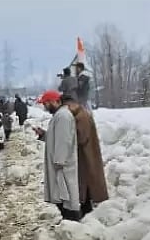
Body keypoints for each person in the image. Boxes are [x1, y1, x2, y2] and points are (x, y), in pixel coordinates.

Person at [35, 91, 82, 220]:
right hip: (59, 165)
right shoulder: (59, 115)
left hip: (62, 166)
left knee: (66, 195)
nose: (45, 107)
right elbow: (56, 138)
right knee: (62, 195)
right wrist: (44, 135)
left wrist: (59, 160)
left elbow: (64, 140)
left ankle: (72, 221)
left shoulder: (63, 116)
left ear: (53, 102)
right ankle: (68, 219)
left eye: (46, 104)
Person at [66, 94, 110, 216]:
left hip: (87, 156)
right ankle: (87, 212)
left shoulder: (82, 116)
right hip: (85, 156)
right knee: (85, 185)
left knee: (87, 185)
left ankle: (88, 214)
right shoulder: (78, 114)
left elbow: (81, 137)